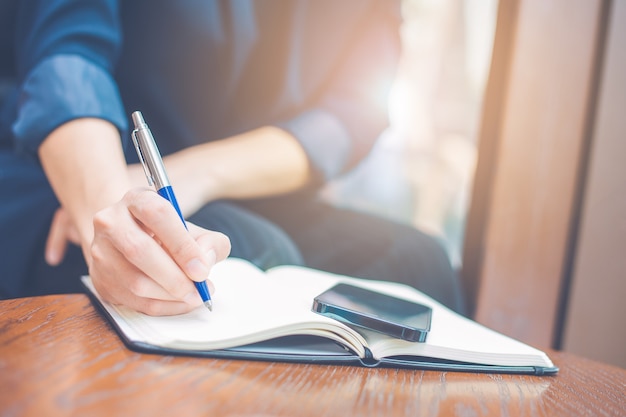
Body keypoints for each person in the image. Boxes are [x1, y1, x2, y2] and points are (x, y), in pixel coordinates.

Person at [0, 0, 465, 315]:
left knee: (418, 260)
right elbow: (66, 56)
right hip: (71, 170)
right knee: (248, 250)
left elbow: (352, 114)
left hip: (241, 184)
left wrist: (200, 172)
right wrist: (109, 213)